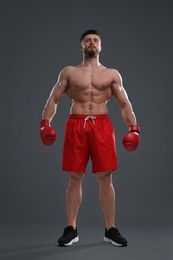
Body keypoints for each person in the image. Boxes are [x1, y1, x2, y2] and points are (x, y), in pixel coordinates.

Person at [40, 29, 140, 247]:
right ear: (81, 46)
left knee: (105, 177)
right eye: (88, 41)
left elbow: (124, 103)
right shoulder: (69, 72)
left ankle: (110, 229)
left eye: (95, 40)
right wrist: (45, 123)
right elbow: (54, 99)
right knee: (75, 177)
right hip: (76, 125)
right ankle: (71, 229)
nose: (92, 43)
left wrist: (133, 127)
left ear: (101, 47)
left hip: (102, 127)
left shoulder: (112, 74)